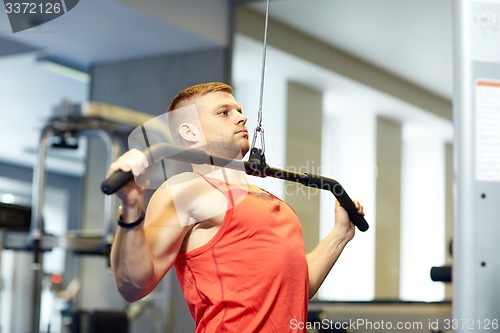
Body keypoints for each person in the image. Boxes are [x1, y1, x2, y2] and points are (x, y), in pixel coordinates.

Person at [109, 82, 364, 332]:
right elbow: (133, 286)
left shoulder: (270, 200)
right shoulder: (186, 189)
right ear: (190, 132)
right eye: (224, 112)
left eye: (239, 111)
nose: (241, 118)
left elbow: (296, 288)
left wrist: (339, 235)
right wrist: (131, 207)